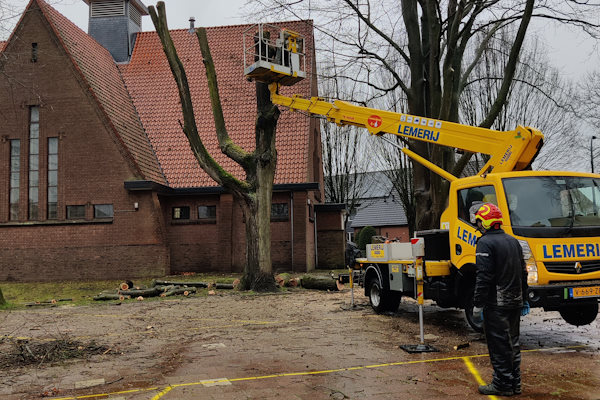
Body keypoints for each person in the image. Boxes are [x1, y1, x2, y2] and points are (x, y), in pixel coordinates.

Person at [472, 203, 529, 396]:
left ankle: (502, 384)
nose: (478, 225)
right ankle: (515, 383)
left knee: (499, 345)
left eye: (479, 221)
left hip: (496, 303)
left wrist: (478, 303)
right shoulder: (513, 241)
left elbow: (484, 276)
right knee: (512, 343)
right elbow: (523, 272)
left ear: (485, 222)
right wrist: (525, 297)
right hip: (515, 300)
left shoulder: (485, 243)